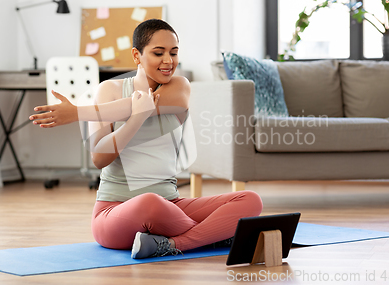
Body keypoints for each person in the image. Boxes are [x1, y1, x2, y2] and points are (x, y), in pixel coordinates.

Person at [29, 19, 263, 259]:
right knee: (150, 203)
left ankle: (173, 244)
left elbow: (146, 103)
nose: (168, 61)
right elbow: (99, 158)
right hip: (114, 212)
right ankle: (217, 234)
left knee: (250, 200)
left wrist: (79, 112)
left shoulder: (180, 87)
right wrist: (136, 119)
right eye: (158, 53)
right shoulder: (108, 90)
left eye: (174, 52)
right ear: (136, 55)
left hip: (172, 207)